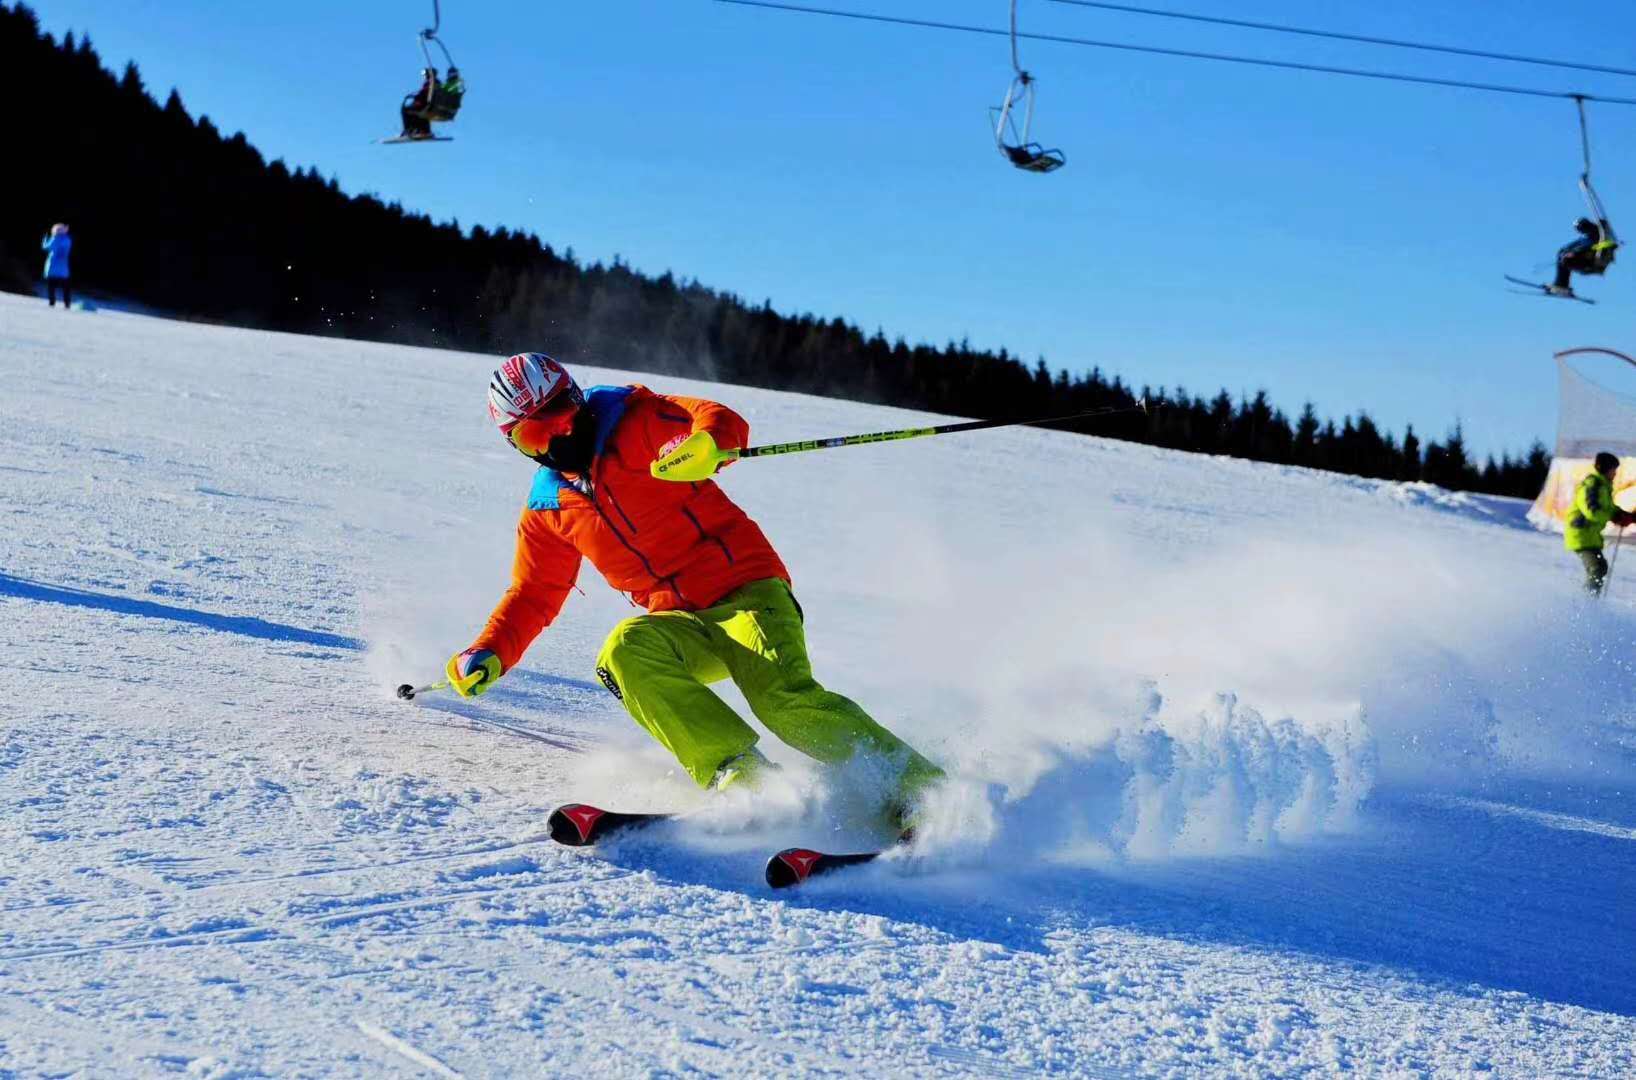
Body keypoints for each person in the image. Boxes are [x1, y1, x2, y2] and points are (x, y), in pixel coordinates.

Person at [446, 353, 943, 822]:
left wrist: (705, 445)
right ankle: (739, 773)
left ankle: (919, 788)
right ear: (516, 444)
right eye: (537, 433)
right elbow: (534, 592)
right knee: (623, 653)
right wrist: (490, 649)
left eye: (561, 411)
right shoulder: (548, 508)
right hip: (681, 623)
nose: (562, 432)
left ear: (576, 397)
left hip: (747, 593)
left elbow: (713, 418)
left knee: (782, 701)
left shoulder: (633, 421)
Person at [1563, 451, 1635, 594]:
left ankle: (1590, 600)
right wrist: (1615, 517)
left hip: (1590, 535)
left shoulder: (1603, 486)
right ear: (1605, 468)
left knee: (1600, 567)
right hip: (1580, 534)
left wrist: (1625, 515)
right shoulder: (1592, 485)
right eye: (1614, 470)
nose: (1615, 473)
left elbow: (1609, 508)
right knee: (1597, 568)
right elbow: (1592, 511)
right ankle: (1587, 603)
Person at [1550, 216, 1617, 298]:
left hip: (1591, 262)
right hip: (1584, 257)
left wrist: (1574, 252)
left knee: (1566, 260)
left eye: (1582, 228)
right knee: (1562, 255)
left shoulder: (1597, 235)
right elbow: (1567, 248)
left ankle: (1562, 286)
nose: (1582, 231)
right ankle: (1561, 285)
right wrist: (1566, 252)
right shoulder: (1586, 237)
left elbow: (1596, 245)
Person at [398, 68, 438, 139]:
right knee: (419, 111)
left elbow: (423, 93)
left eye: (425, 75)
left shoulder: (430, 83)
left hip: (425, 105)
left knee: (405, 110)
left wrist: (414, 96)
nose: (424, 77)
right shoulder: (438, 83)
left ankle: (409, 130)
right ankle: (424, 130)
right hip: (432, 105)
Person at [41, 223, 71, 308]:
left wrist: (45, 239)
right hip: (64, 269)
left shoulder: (55, 239)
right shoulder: (68, 240)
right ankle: (67, 303)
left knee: (51, 287)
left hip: (53, 267)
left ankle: (52, 302)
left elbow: (45, 247)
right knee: (65, 287)